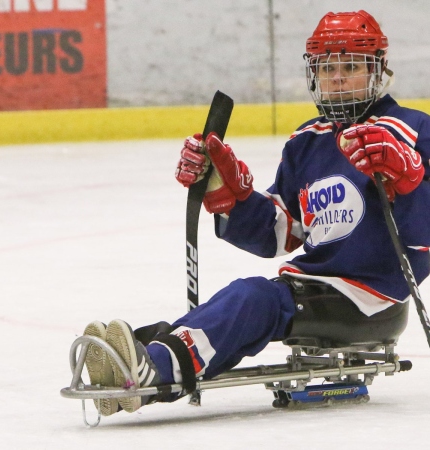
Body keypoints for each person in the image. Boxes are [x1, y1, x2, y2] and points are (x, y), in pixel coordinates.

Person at [82, 10, 430, 416]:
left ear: (379, 71)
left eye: (351, 66)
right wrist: (232, 196)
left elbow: (420, 243)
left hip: (372, 297)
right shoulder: (306, 141)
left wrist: (409, 180)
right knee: (247, 296)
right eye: (328, 67)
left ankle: (154, 370)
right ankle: (147, 355)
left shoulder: (413, 129)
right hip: (315, 288)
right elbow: (283, 233)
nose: (338, 77)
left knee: (254, 298)